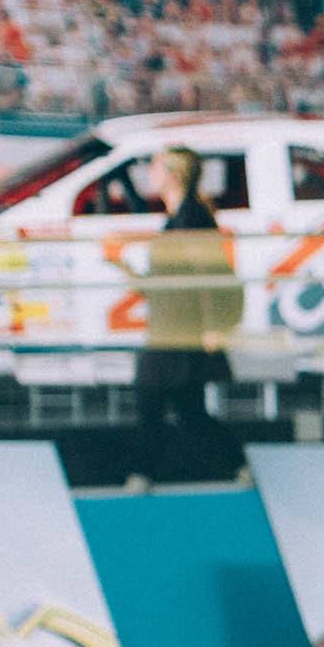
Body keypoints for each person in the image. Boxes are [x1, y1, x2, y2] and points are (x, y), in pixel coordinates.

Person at [126, 147, 241, 483]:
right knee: (189, 411)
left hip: (178, 333)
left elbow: (209, 276)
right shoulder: (181, 218)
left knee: (153, 400)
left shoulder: (190, 219)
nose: (149, 172)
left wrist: (211, 327)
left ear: (173, 175)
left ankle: (141, 473)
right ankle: (235, 465)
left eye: (155, 166)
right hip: (171, 329)